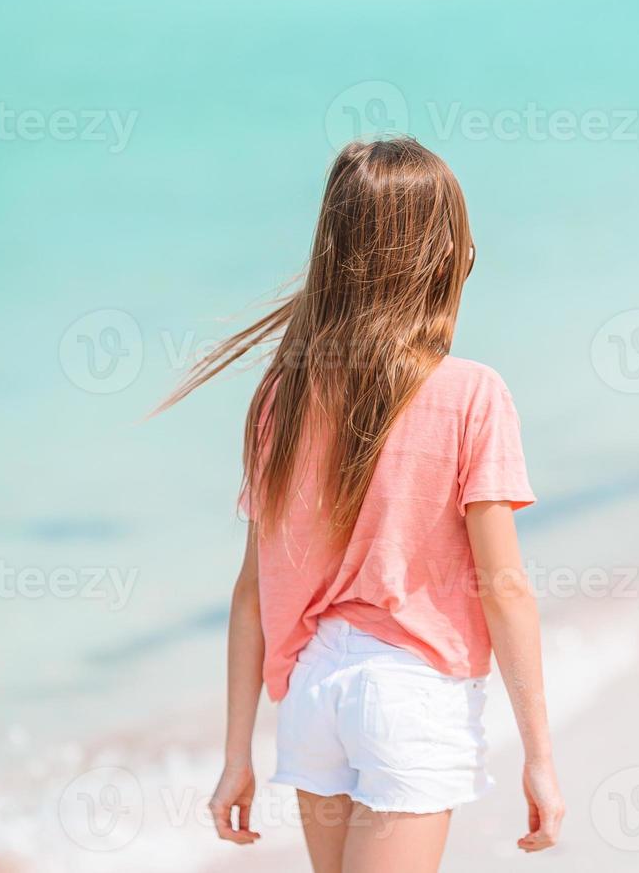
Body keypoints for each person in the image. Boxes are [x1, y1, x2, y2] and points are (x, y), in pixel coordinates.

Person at [159, 137, 563, 871]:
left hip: (313, 693)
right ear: (445, 257)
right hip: (410, 695)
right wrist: (540, 755)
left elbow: (251, 594)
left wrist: (235, 755)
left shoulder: (281, 394)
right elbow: (503, 587)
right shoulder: (472, 395)